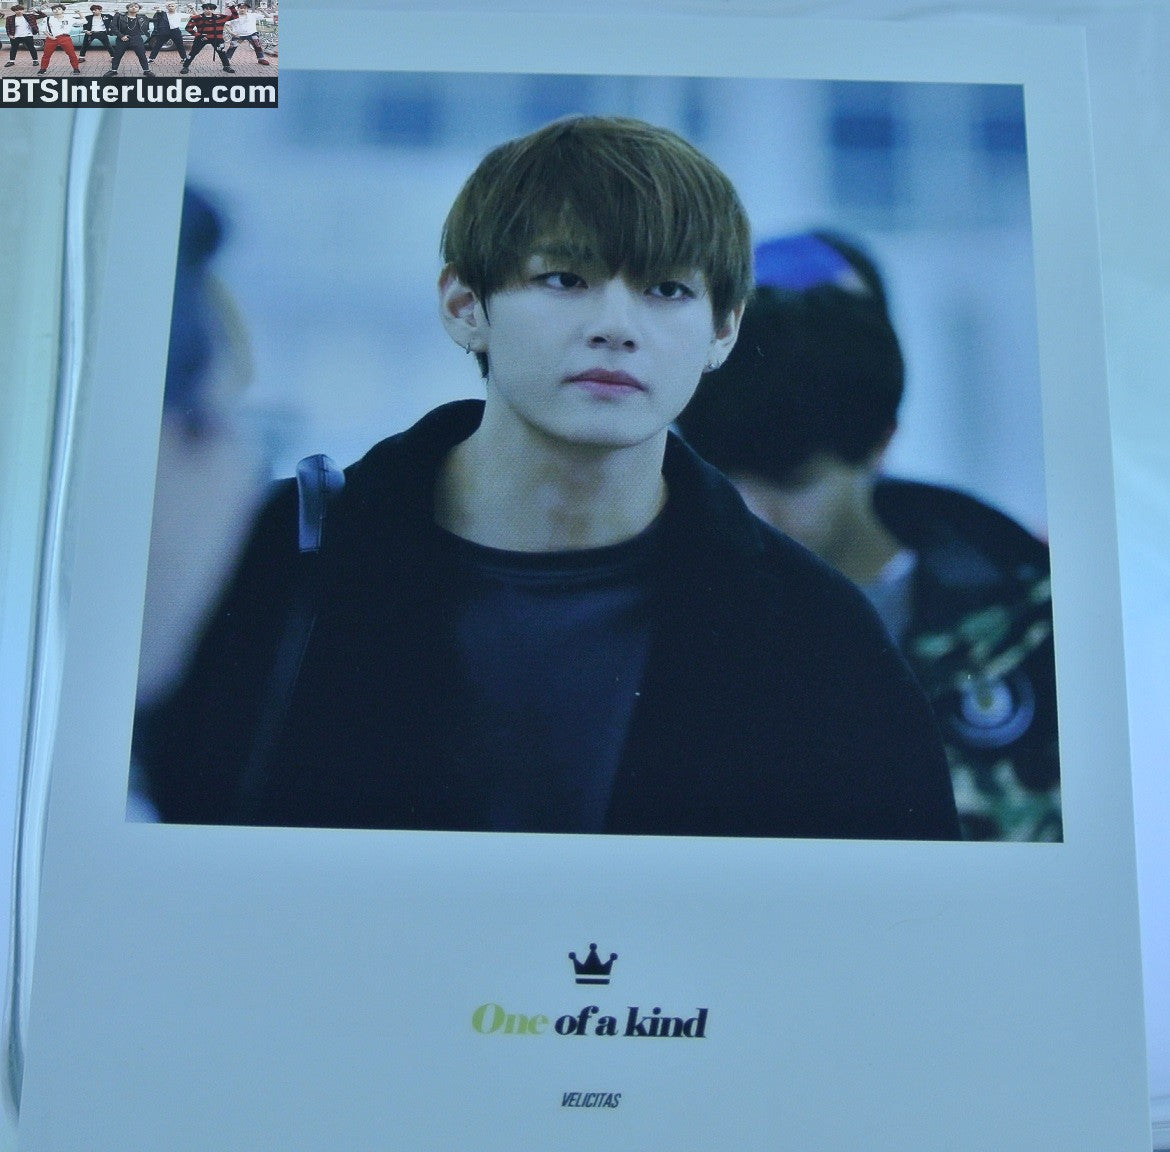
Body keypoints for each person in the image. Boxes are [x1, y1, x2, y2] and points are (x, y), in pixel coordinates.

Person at [133, 117, 959, 839]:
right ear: (464, 303)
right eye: (565, 279)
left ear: (723, 331)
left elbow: (893, 928)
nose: (616, 327)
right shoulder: (277, 566)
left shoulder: (821, 636)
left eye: (667, 289)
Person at [677, 231, 1061, 841]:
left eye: (791, 482)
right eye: (723, 478)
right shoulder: (655, 610)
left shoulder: (1024, 615)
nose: (749, 515)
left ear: (880, 442)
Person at [180, 1, 231, 72]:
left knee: (222, 53)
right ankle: (185, 67)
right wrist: (198, 35)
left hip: (217, 39)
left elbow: (235, 16)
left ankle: (226, 66)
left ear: (213, 10)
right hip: (201, 38)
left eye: (211, 9)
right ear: (203, 9)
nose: (209, 10)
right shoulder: (197, 18)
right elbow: (188, 28)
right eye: (207, 9)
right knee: (193, 52)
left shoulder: (220, 17)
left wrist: (231, 7)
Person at [105, 1, 154, 75]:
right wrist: (121, 36)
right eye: (131, 6)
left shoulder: (142, 17)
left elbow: (155, 20)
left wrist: (159, 12)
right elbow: (113, 26)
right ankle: (113, 70)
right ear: (127, 8)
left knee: (142, 55)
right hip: (122, 38)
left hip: (136, 38)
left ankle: (146, 70)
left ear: (139, 9)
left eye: (136, 7)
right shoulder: (119, 16)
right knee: (117, 55)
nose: (133, 8)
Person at [36, 3, 80, 73]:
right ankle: (43, 69)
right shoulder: (47, 19)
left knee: (71, 54)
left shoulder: (69, 18)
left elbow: (84, 21)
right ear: (52, 11)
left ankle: (76, 68)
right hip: (51, 38)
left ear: (63, 11)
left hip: (64, 37)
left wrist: (79, 13)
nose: (56, 10)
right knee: (46, 54)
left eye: (59, 9)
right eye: (54, 9)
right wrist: (50, 36)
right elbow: (43, 29)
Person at [222, 1, 268, 65]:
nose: (242, 9)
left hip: (251, 34)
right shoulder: (233, 16)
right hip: (238, 35)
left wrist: (262, 11)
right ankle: (226, 60)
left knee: (257, 46)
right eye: (241, 8)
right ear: (238, 9)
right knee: (232, 47)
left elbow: (267, 16)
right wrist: (231, 32)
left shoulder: (252, 15)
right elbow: (226, 25)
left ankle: (261, 59)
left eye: (244, 8)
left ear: (247, 9)